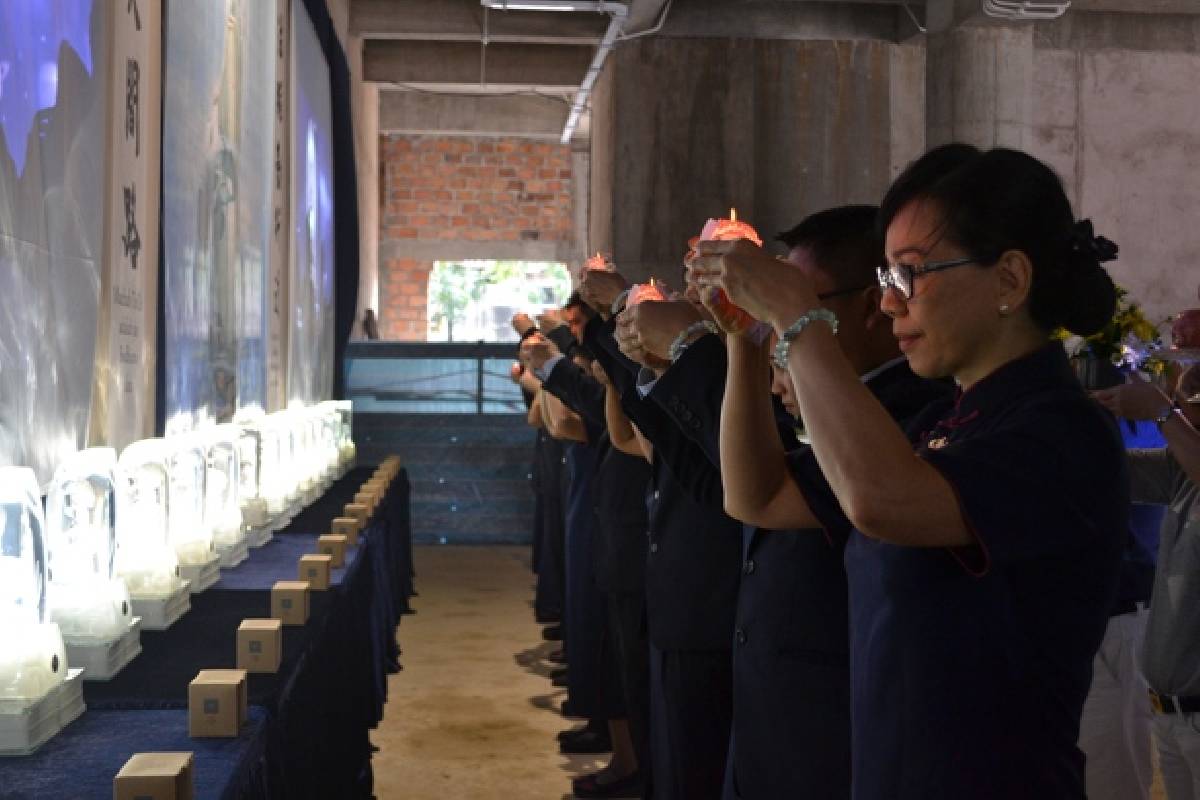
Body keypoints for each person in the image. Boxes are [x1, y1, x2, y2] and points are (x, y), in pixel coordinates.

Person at [691, 144, 1128, 798]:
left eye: (911, 275)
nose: (891, 303)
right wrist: (743, 340)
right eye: (889, 279)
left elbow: (878, 501)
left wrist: (799, 318)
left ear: (1009, 280)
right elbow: (761, 495)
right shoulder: (942, 426)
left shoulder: (1061, 432)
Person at [618, 205, 950, 799]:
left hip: (832, 715)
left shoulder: (911, 408)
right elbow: (739, 487)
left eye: (913, 280)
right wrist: (735, 338)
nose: (903, 303)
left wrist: (724, 341)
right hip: (771, 697)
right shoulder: (825, 379)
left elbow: (772, 490)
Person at [1095, 367, 1200, 800]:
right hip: (1172, 716)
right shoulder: (1181, 471)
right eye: (1187, 384)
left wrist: (1161, 410)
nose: (1189, 391)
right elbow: (1106, 472)